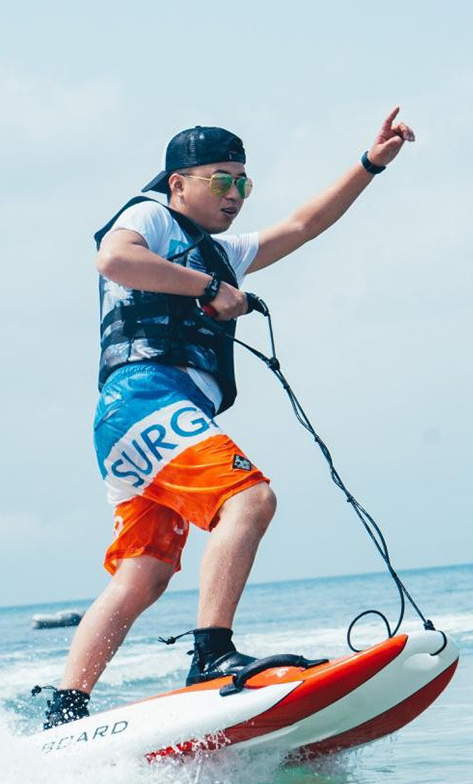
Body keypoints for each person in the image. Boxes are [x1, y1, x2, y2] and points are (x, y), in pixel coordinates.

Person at [41, 108, 415, 728]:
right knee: (250, 500)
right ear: (178, 182)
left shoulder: (224, 251)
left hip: (131, 422)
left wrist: (370, 164)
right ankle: (212, 655)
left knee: (145, 574)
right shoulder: (151, 216)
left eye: (244, 183)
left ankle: (65, 711)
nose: (235, 195)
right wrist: (209, 290)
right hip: (144, 395)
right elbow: (114, 261)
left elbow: (303, 224)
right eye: (221, 181)